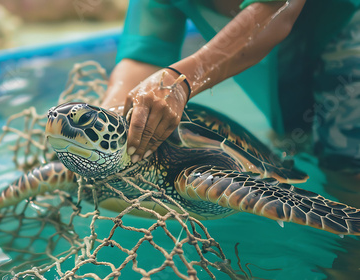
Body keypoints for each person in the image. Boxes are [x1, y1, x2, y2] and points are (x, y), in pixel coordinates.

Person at [100, 0, 360, 199]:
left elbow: (277, 8)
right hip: (287, 59)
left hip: (347, 22)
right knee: (299, 140)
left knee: (348, 165)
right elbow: (144, 55)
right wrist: (108, 117)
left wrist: (181, 80)